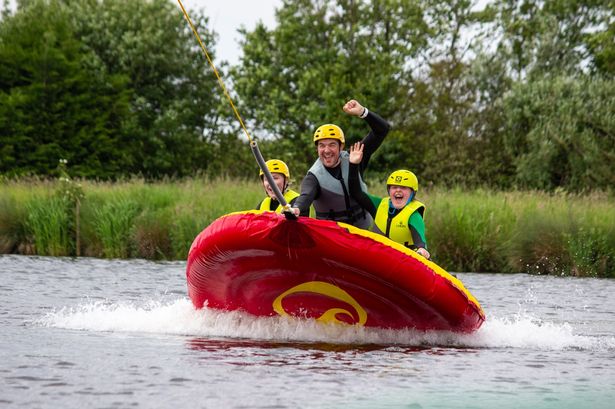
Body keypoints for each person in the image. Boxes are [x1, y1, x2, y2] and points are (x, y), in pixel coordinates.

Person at [291, 99, 390, 229]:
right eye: (322, 146)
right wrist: (296, 208)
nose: (326, 150)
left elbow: (382, 129)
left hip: (363, 231)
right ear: (317, 149)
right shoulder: (313, 176)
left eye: (332, 144)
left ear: (341, 146)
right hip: (333, 237)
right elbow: (305, 196)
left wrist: (362, 112)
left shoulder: (355, 155)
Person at [347, 142, 431, 259]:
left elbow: (420, 243)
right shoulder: (380, 205)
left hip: (404, 262)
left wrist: (422, 250)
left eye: (403, 188)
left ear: (412, 193)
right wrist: (353, 165)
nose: (398, 191)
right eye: (394, 187)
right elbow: (356, 192)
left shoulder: (413, 215)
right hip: (379, 259)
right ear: (389, 190)